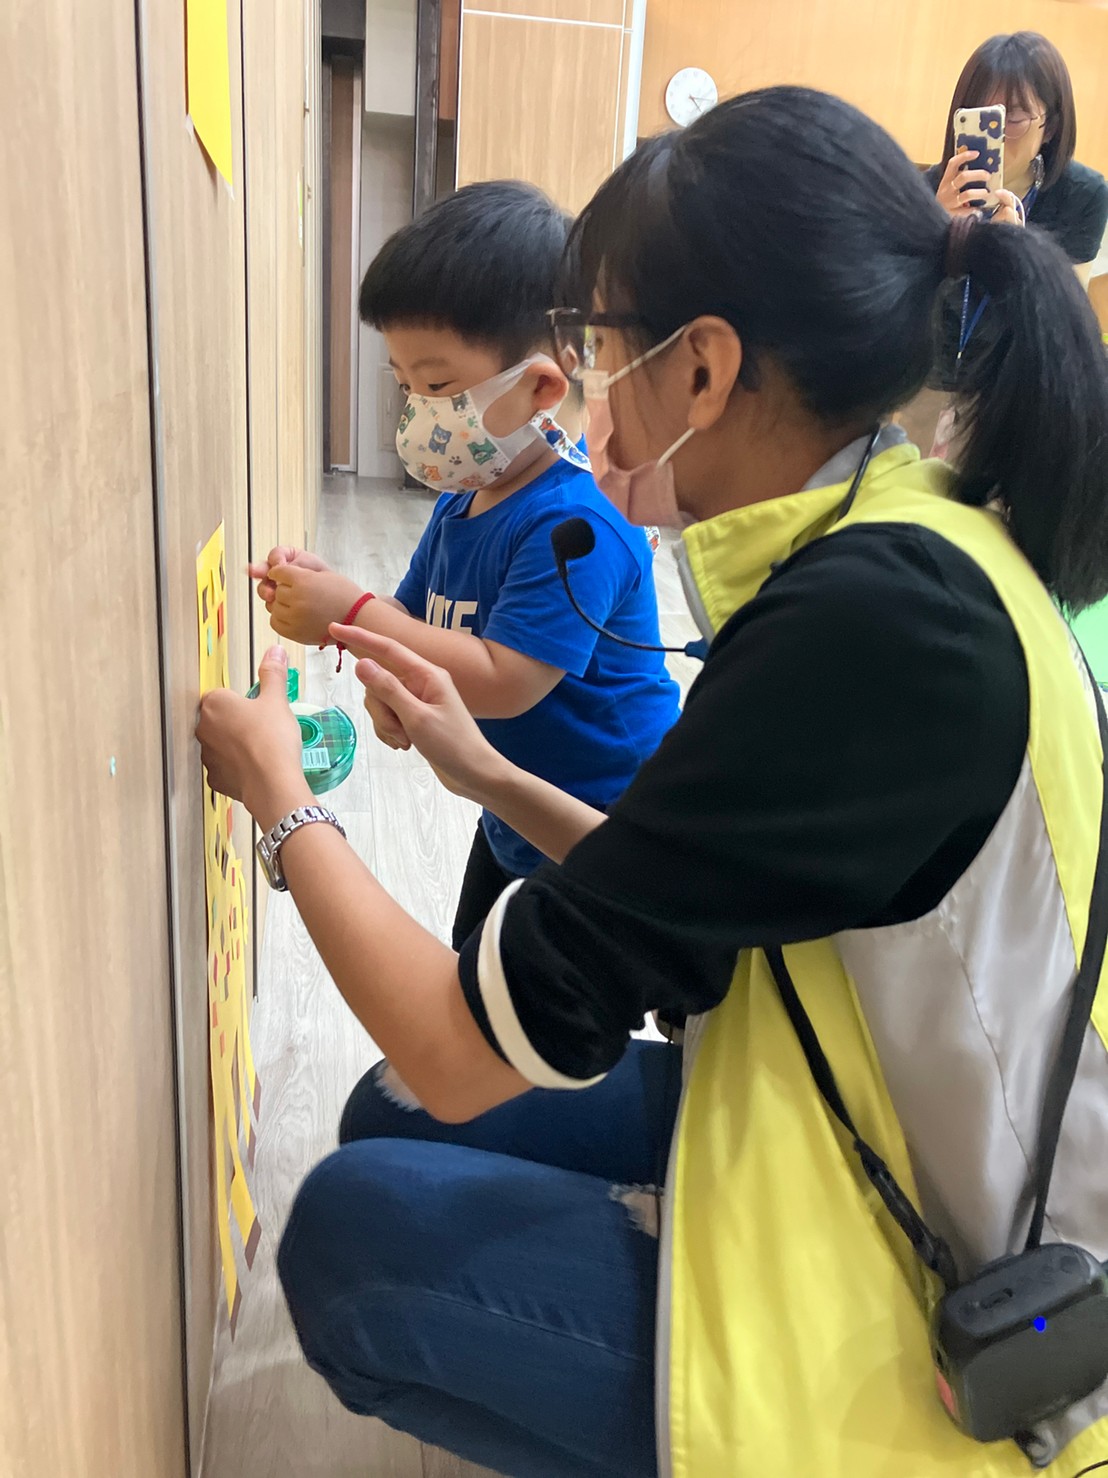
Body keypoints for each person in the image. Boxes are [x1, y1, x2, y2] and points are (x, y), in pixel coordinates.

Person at [197, 86, 1108, 1477]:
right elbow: (683, 892)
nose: (586, 384)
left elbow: (457, 1039)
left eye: (601, 341)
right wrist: (483, 766)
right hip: (828, 1101)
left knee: (355, 1230)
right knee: (393, 1109)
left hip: (936, 1291)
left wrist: (285, 804)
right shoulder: (894, 539)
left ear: (703, 367)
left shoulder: (871, 625)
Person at [249, 180, 678, 946]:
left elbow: (505, 680)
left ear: (543, 384)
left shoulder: (581, 522)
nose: (416, 410)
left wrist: (348, 613)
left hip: (600, 829)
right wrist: (365, 640)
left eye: (439, 386)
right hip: (511, 811)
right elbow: (410, 622)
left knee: (532, 1023)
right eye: (404, 384)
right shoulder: (463, 499)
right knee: (472, 971)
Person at [903, 31, 1108, 454]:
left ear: (1049, 125)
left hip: (1016, 393)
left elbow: (1065, 322)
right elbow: (898, 305)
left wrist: (1019, 257)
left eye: (1009, 120)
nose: (994, 136)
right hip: (926, 382)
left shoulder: (1081, 195)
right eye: (978, 116)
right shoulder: (928, 188)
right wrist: (936, 230)